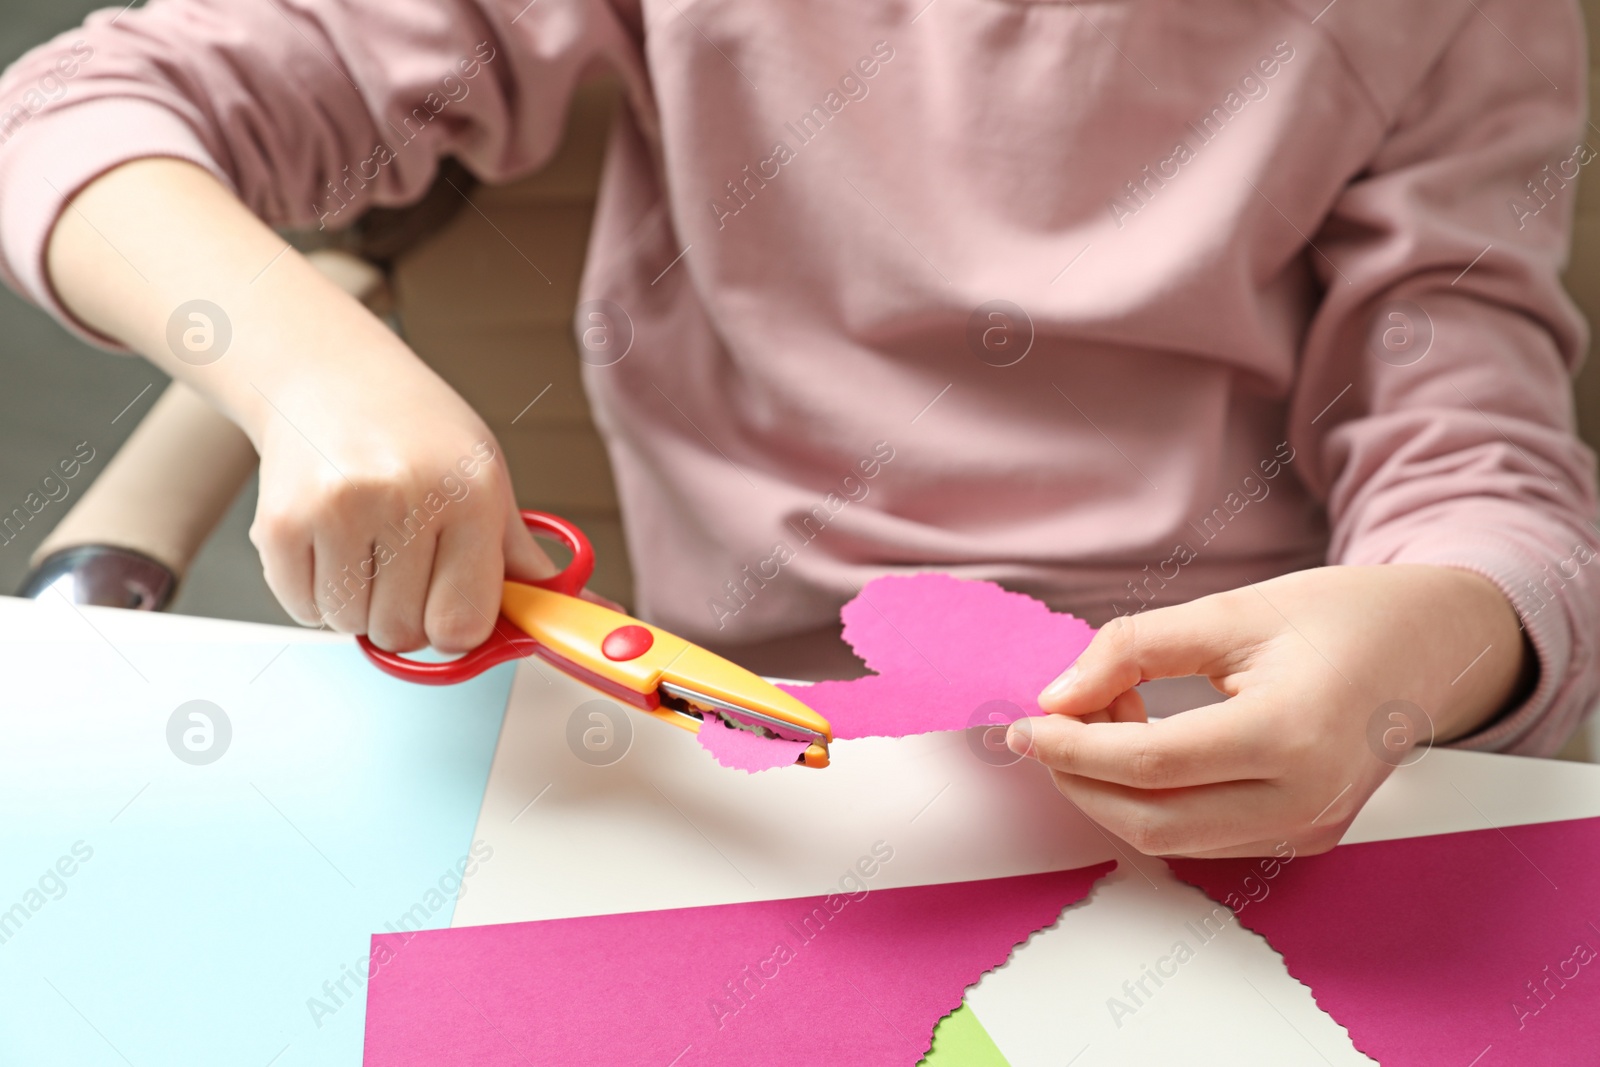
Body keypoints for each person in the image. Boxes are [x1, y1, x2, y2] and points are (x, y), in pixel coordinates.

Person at [1, 0, 1594, 858]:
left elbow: (1481, 460)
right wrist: (309, 373)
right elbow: (77, 108)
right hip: (743, 755)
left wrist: (1444, 637)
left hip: (1259, 770)